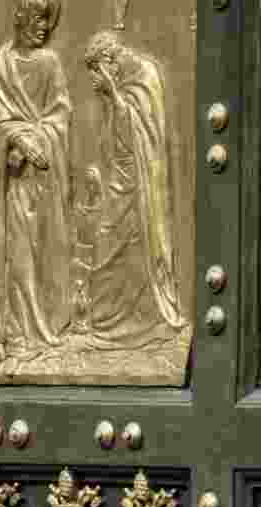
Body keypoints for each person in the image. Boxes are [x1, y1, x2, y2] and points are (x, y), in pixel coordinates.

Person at [82, 31, 186, 349]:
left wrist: (113, 93)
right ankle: (108, 323)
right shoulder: (122, 80)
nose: (96, 80)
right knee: (106, 243)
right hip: (120, 181)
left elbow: (141, 134)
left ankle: (143, 326)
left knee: (129, 248)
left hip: (139, 186)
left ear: (110, 61)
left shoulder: (143, 75)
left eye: (98, 70)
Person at [0, 0, 72, 365]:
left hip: (45, 177)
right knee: (18, 251)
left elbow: (61, 112)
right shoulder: (2, 62)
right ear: (20, 16)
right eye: (38, 19)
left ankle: (43, 323)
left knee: (42, 250)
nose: (44, 28)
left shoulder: (50, 63)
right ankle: (22, 328)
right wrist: (16, 140)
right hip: (14, 180)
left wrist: (40, 139)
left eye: (49, 21)